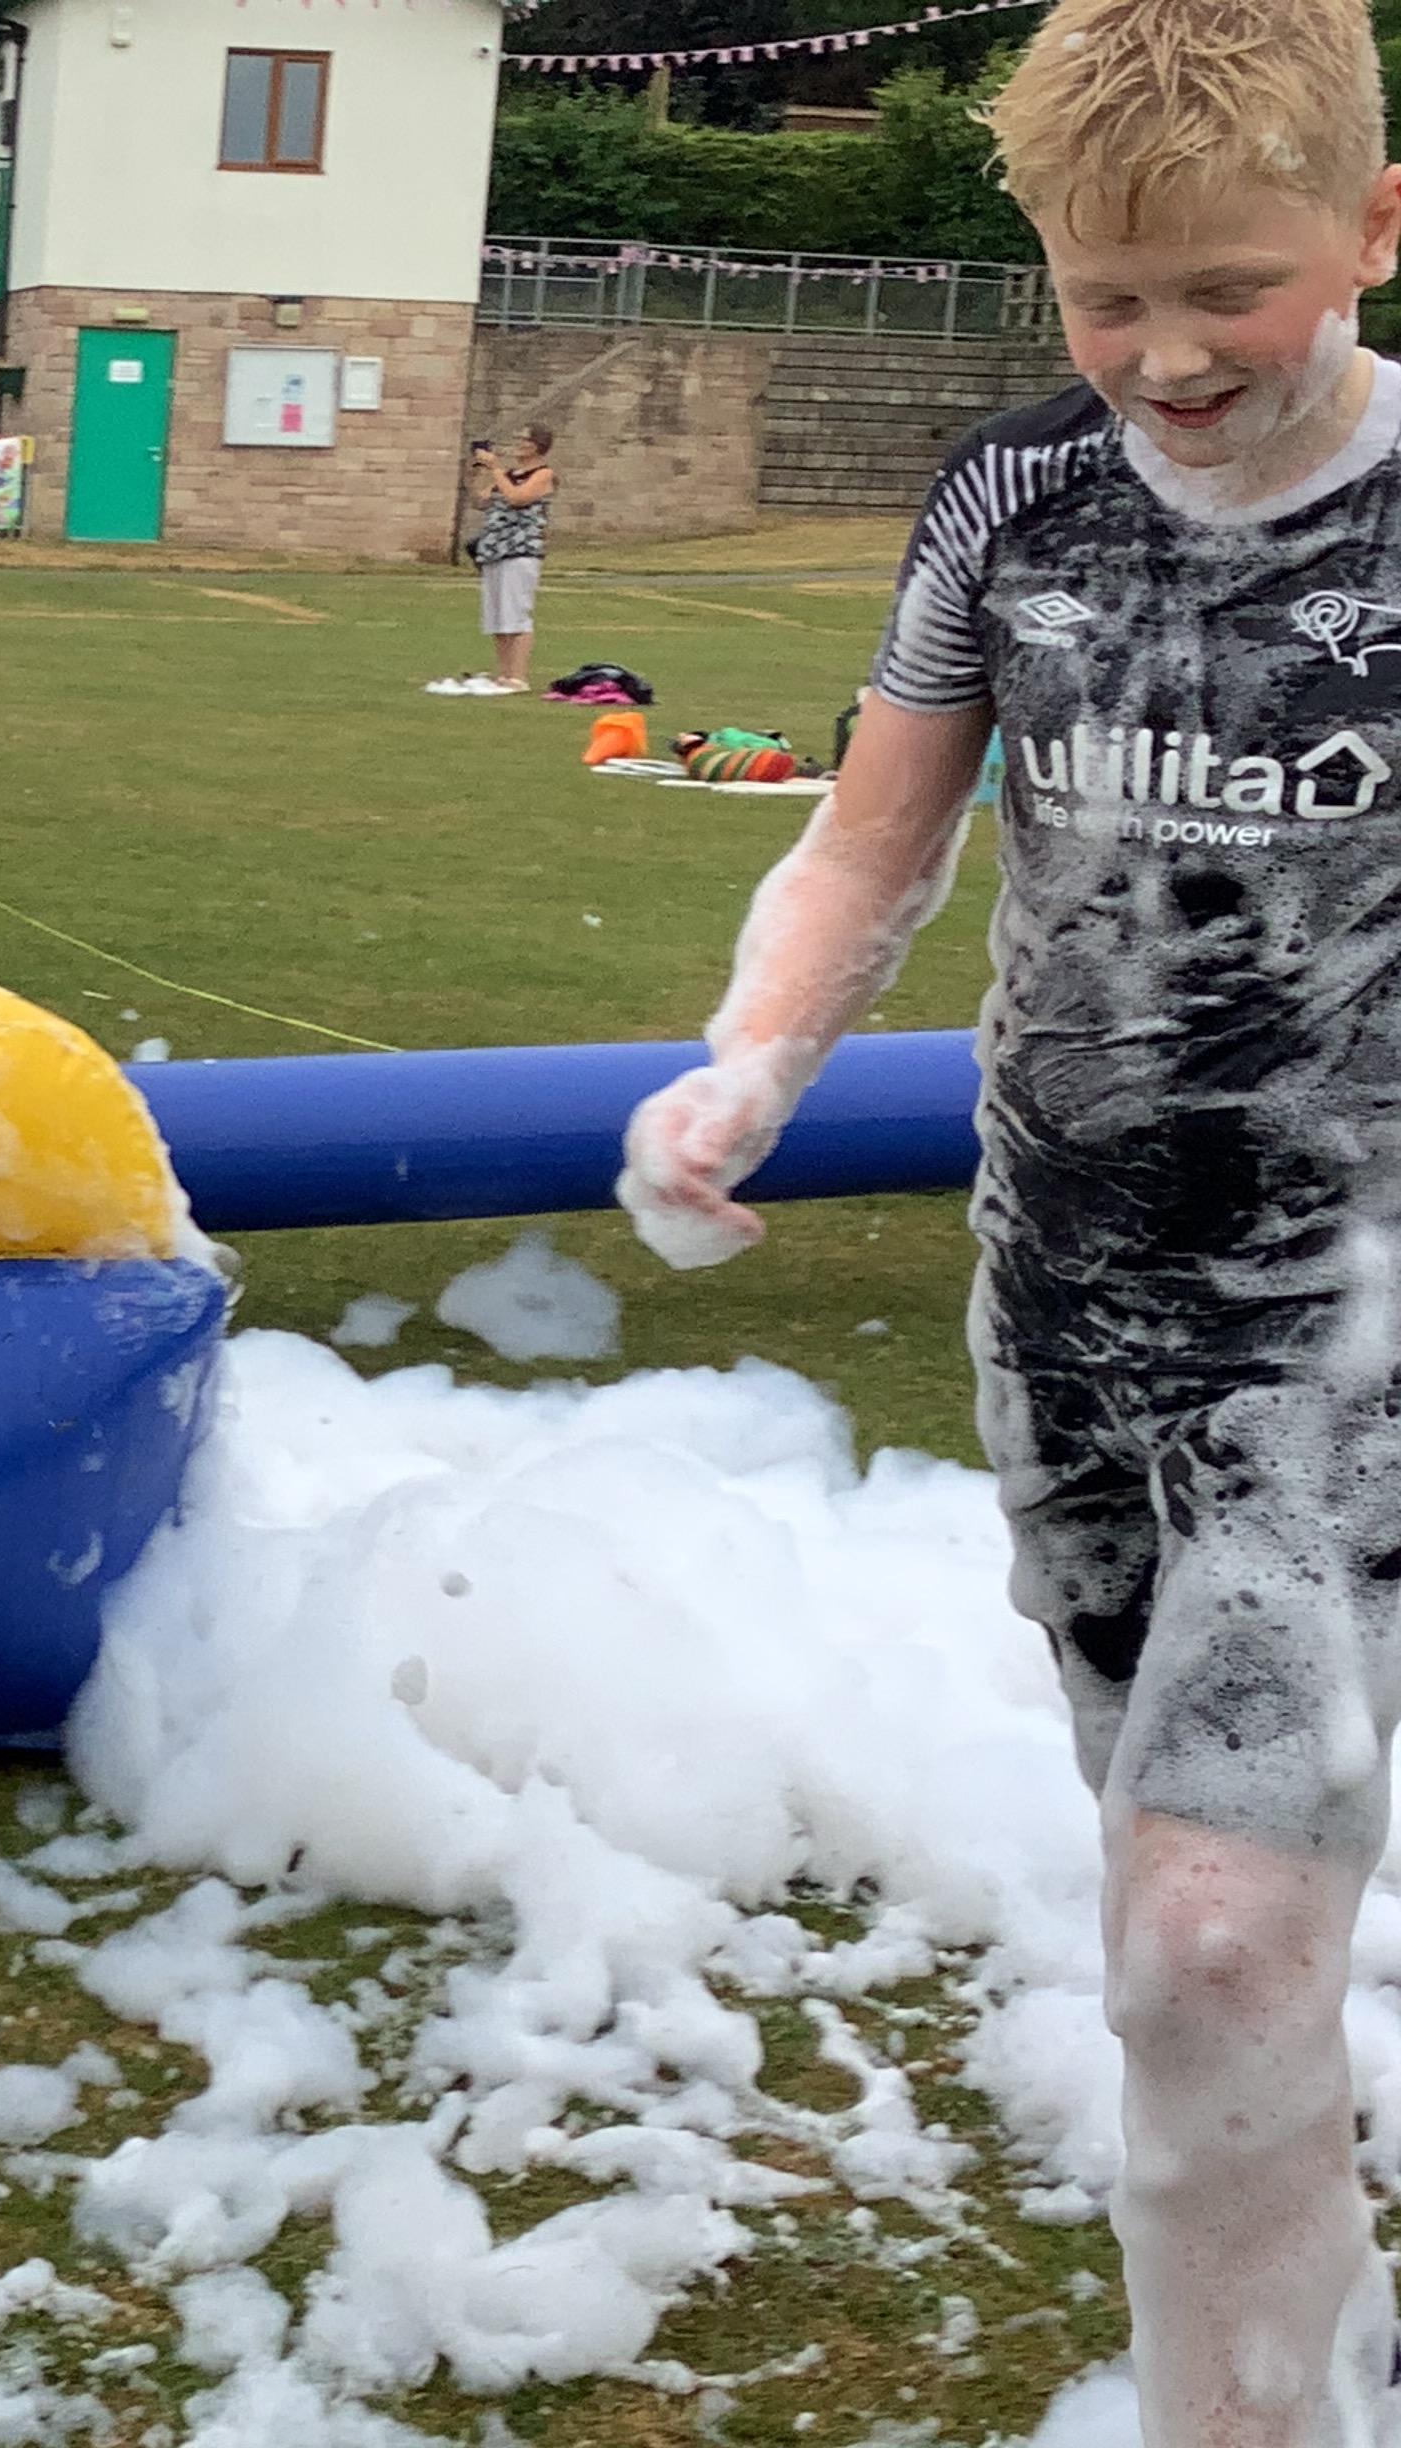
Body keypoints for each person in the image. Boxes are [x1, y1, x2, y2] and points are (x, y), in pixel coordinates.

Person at [618, 4, 1401, 2442]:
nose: (1165, 357)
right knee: (1201, 1945)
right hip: (1065, 1305)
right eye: (1106, 298)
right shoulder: (1012, 497)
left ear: (1377, 228)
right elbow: (876, 833)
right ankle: (1303, 2353)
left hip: (1353, 1319)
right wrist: (753, 1058)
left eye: (1230, 290)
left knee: (1208, 1939)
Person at [463, 425, 555, 697]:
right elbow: (481, 501)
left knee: (516, 614)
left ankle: (519, 675)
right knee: (498, 616)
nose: (518, 443)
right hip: (495, 549)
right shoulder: (507, 475)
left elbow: (517, 498)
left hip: (521, 550)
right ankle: (504, 673)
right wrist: (476, 472)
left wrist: (495, 468)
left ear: (536, 445)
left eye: (523, 439)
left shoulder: (543, 474)